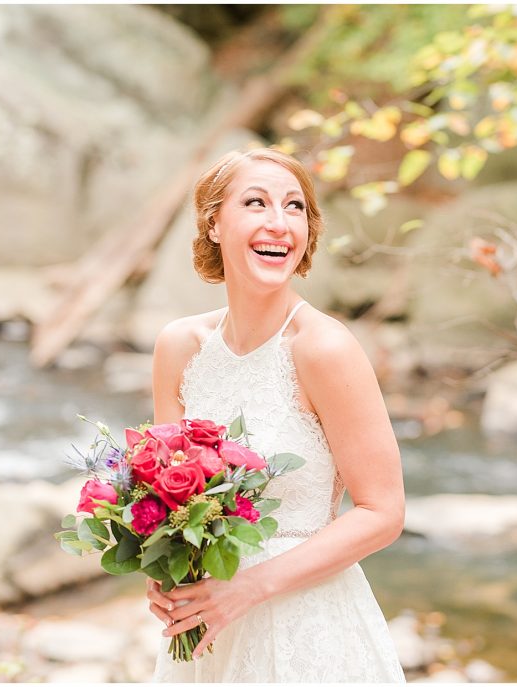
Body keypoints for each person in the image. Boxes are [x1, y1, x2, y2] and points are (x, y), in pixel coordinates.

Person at [147, 146, 407, 682]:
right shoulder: (179, 346)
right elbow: (162, 500)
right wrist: (161, 570)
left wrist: (248, 587)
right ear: (214, 223)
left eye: (295, 208)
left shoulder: (324, 349)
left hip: (306, 630)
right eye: (256, 202)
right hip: (208, 636)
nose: (279, 224)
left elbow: (383, 511)